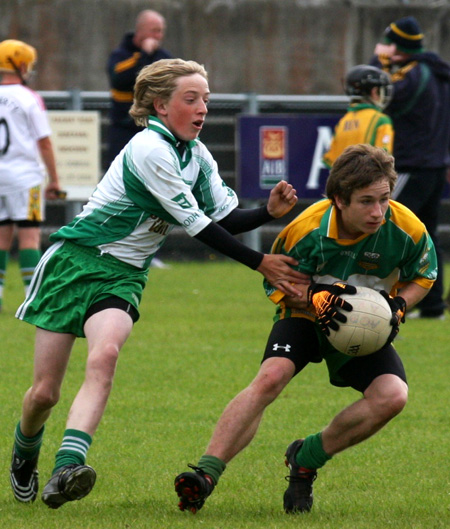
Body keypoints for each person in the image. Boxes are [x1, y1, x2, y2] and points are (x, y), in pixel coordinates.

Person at [9, 58, 307, 509]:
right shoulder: (150, 148)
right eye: (191, 99)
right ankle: (23, 455)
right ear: (159, 105)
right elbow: (198, 226)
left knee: (105, 354)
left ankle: (68, 466)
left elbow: (224, 216)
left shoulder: (197, 154)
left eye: (206, 99)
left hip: (124, 275)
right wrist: (259, 261)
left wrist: (266, 212)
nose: (203, 108)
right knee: (43, 394)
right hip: (74, 263)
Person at [174, 144, 437, 515]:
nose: (378, 212)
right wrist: (316, 300)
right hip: (305, 318)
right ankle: (205, 474)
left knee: (392, 396)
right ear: (339, 200)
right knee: (270, 377)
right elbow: (279, 285)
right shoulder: (306, 230)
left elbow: (425, 275)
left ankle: (306, 457)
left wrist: (399, 305)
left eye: (383, 199)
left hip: (364, 329)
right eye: (366, 201)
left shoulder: (406, 228)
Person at [370, 16, 450, 319]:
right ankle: (432, 306)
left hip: (410, 165)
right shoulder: (439, 72)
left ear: (397, 45)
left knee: (386, 228)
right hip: (433, 165)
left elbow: (379, 95)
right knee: (427, 236)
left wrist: (378, 59)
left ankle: (381, 302)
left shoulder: (414, 75)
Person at [0, 39, 62, 312]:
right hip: (25, 177)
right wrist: (54, 179)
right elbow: (44, 142)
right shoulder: (29, 98)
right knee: (29, 237)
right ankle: (32, 297)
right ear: (21, 65)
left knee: (1, 238)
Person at [106, 9, 172, 165]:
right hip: (123, 128)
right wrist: (143, 55)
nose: (159, 36)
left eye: (161, 31)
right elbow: (119, 79)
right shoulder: (120, 55)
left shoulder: (164, 57)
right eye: (155, 31)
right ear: (141, 31)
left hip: (154, 129)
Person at [323, 65, 394, 168]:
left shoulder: (343, 121)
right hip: (369, 181)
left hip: (344, 182)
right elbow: (384, 160)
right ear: (374, 92)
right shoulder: (381, 120)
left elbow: (330, 161)